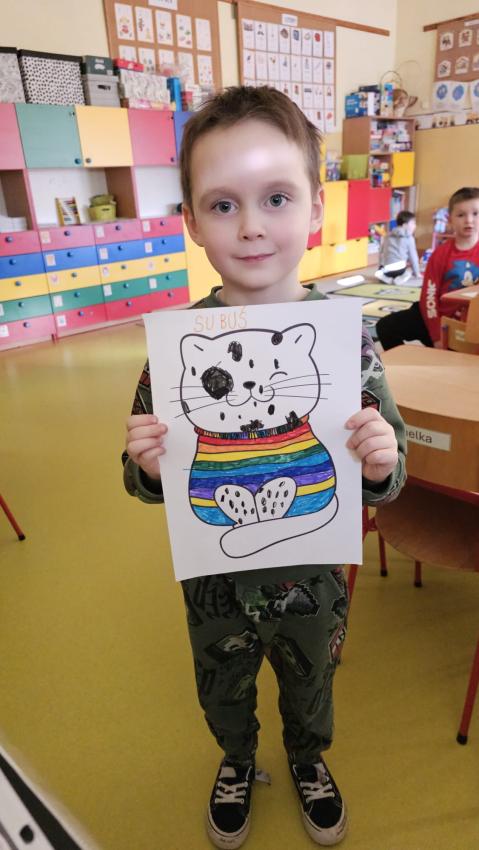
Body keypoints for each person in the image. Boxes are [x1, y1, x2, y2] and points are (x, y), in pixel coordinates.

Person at [123, 86, 406, 848]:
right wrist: (147, 465)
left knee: (312, 684)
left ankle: (307, 757)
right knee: (222, 687)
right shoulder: (177, 349)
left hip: (315, 580)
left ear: (314, 208)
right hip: (213, 585)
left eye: (275, 198)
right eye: (222, 205)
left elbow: (390, 469)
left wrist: (379, 462)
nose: (250, 226)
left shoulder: (348, 342)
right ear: (191, 222)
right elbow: (143, 480)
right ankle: (238, 759)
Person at [376, 187, 479, 350]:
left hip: (470, 322)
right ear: (450, 219)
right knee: (385, 326)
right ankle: (403, 362)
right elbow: (429, 296)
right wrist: (436, 336)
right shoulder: (441, 254)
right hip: (435, 316)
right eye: (461, 215)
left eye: (475, 213)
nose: (469, 220)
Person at [375, 210, 420, 284]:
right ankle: (399, 279)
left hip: (386, 269)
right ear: (405, 225)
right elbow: (413, 257)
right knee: (408, 273)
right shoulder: (409, 238)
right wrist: (417, 273)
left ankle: (386, 278)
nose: (415, 226)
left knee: (380, 273)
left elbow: (381, 253)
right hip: (400, 269)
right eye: (413, 223)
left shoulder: (387, 236)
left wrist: (380, 266)